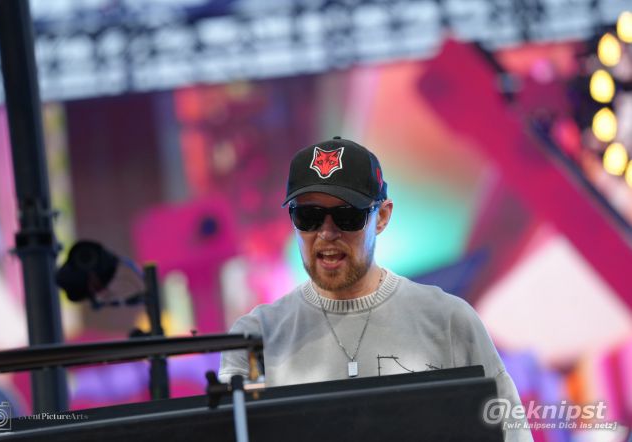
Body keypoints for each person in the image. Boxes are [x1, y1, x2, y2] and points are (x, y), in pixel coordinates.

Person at [220, 137, 530, 441]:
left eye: (347, 216)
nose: (326, 232)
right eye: (308, 217)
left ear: (382, 216)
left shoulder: (448, 321)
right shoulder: (257, 336)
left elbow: (511, 434)